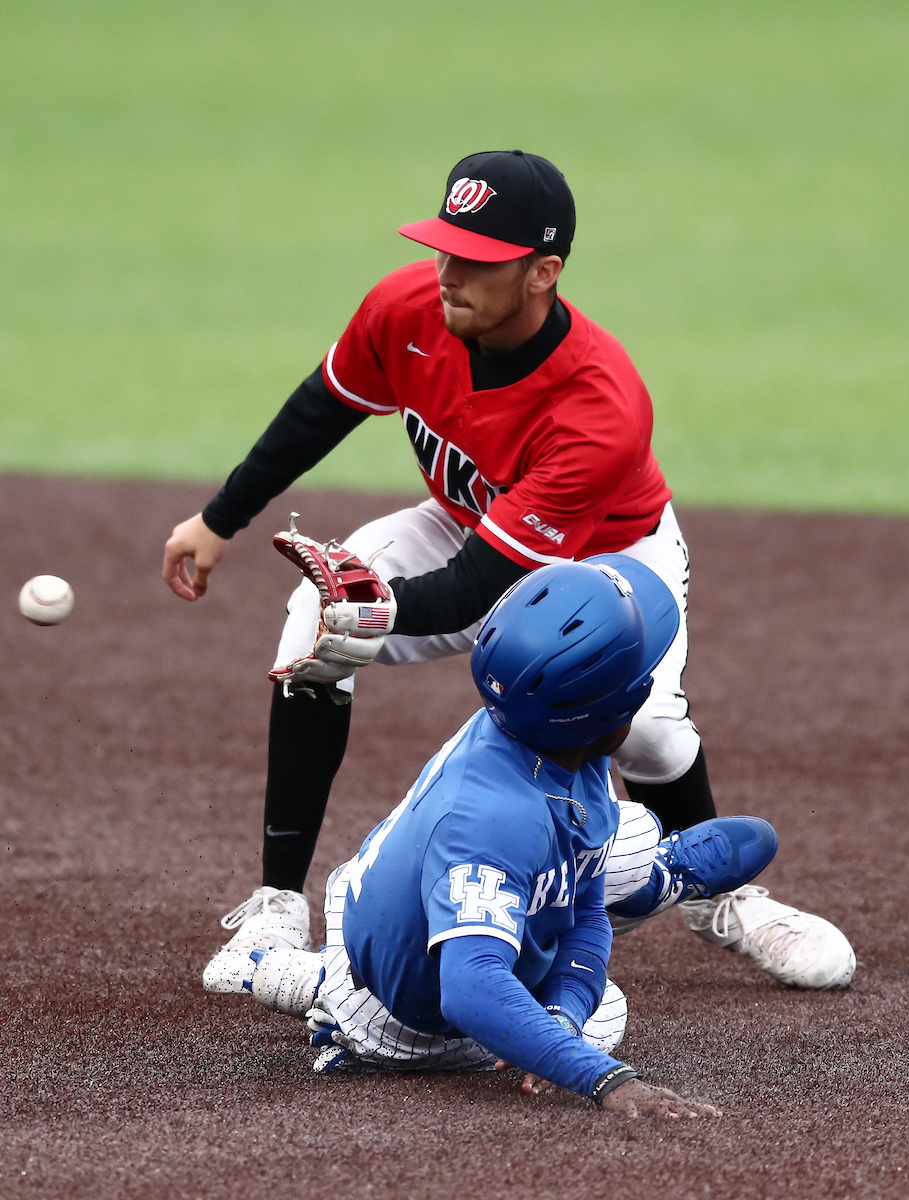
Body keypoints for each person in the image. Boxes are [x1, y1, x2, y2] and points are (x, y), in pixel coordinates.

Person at [162, 150, 855, 993]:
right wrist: (219, 519)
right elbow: (325, 405)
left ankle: (723, 899)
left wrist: (368, 607)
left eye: (478, 261)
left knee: (647, 732)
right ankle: (277, 902)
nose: (449, 274)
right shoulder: (407, 306)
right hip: (469, 524)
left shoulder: (596, 407)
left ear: (543, 272)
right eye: (445, 247)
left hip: (610, 557)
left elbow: (480, 591)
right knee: (313, 626)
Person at [234, 557, 780, 1117]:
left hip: (389, 897)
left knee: (609, 854)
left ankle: (649, 875)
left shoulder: (558, 743)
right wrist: (607, 1080)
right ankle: (310, 981)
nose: (646, 683)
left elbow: (585, 912)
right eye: (640, 675)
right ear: (615, 706)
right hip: (404, 1023)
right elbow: (470, 991)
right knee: (606, 1005)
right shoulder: (492, 816)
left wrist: (563, 1015)